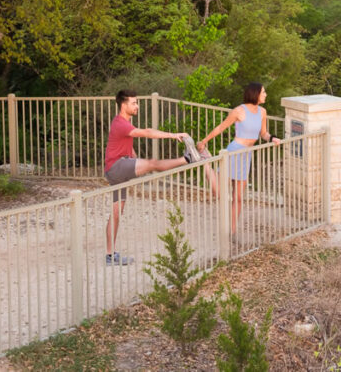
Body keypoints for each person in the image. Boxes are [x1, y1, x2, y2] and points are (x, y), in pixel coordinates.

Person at [103, 89, 197, 266]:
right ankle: (186, 159)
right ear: (123, 105)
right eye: (133, 103)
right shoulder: (121, 124)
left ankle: (110, 256)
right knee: (153, 163)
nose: (137, 106)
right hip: (117, 167)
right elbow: (146, 132)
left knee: (116, 212)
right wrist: (173, 135)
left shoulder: (121, 123)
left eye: (137, 102)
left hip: (115, 170)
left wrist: (137, 163)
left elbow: (128, 148)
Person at [197, 82, 281, 231]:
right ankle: (206, 164)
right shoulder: (238, 111)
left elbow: (263, 134)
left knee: (239, 198)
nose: (265, 94)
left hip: (246, 155)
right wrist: (204, 141)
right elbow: (220, 128)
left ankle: (232, 230)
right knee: (220, 192)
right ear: (255, 94)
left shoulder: (262, 112)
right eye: (263, 92)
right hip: (234, 152)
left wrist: (273, 138)